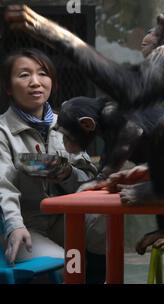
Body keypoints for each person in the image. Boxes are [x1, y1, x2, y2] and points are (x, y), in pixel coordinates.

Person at [0, 48, 106, 283]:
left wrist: (67, 173)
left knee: (105, 222)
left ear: (53, 83)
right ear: (8, 87)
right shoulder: (2, 132)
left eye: (42, 73)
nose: (35, 82)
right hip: (27, 226)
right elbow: (3, 186)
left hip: (65, 218)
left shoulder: (65, 123)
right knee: (66, 265)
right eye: (24, 75)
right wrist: (14, 225)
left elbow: (90, 178)